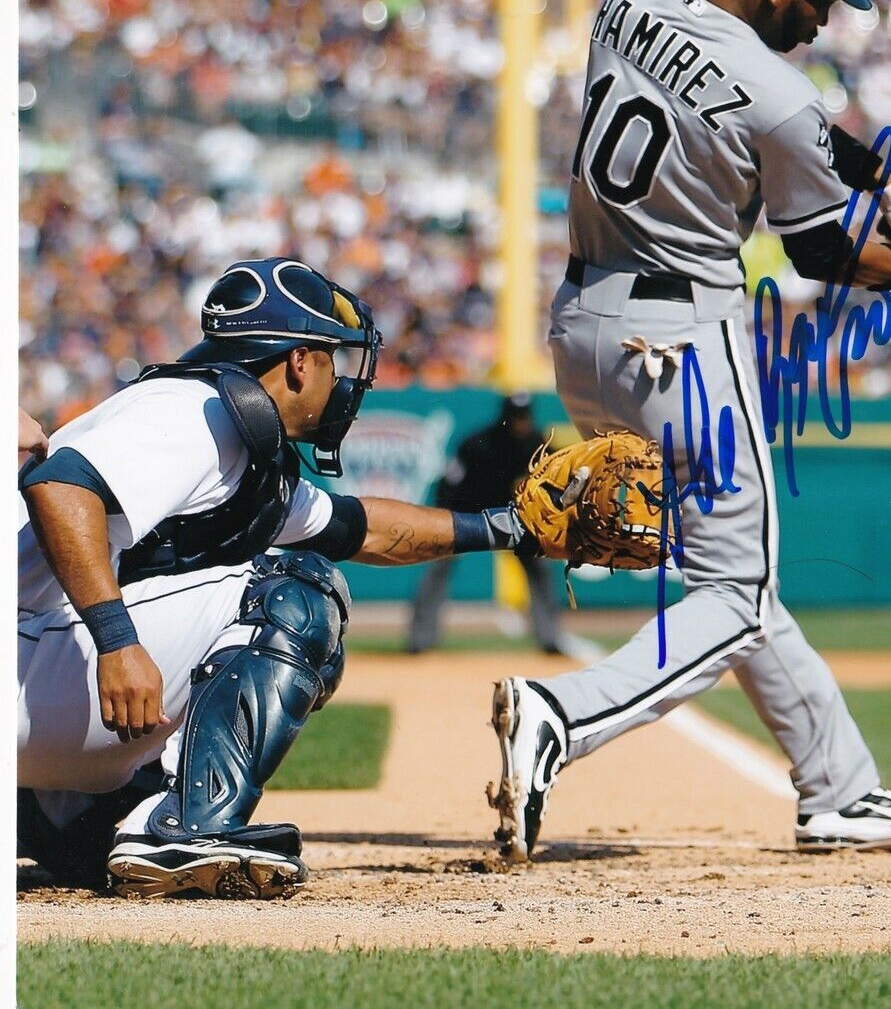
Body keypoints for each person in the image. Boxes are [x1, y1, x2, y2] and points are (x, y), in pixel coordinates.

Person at [489, 0, 891, 859]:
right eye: (814, 0)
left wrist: (881, 176)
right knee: (733, 591)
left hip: (586, 327)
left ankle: (840, 791)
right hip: (684, 338)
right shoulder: (782, 94)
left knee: (737, 583)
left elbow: (748, 108)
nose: (818, 21)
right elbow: (821, 255)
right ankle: (562, 712)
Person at [17, 258, 544, 898]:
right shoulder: (194, 411)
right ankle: (184, 826)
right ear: (299, 362)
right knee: (297, 595)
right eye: (332, 358)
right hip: (24, 662)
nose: (342, 379)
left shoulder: (240, 441)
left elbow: (361, 529)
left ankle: (74, 822)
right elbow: (58, 488)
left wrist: (512, 526)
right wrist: (117, 641)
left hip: (34, 682)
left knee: (311, 630)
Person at [406, 394, 568, 655]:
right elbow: (448, 484)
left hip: (510, 514)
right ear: (504, 418)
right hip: (465, 512)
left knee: (539, 566)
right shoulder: (477, 443)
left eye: (524, 416)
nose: (520, 422)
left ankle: (550, 637)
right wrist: (441, 521)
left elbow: (559, 481)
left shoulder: (535, 443)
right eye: (515, 417)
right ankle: (420, 639)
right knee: (437, 568)